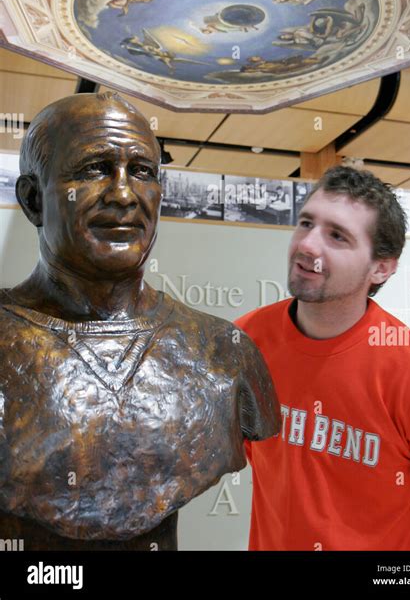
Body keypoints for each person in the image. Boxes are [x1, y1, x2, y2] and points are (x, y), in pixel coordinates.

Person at [0, 91, 280, 551]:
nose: (125, 194)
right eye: (95, 169)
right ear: (33, 199)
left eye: (143, 172)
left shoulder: (224, 354)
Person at [235, 166, 410, 551]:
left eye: (337, 236)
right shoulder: (245, 343)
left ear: (381, 267)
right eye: (306, 223)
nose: (308, 245)